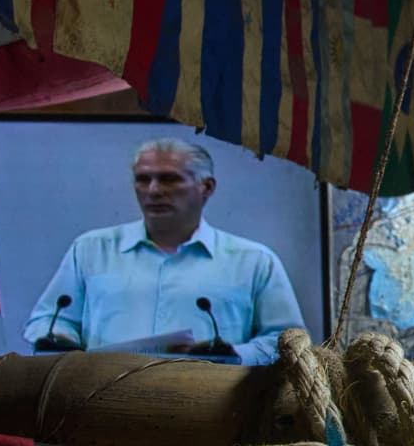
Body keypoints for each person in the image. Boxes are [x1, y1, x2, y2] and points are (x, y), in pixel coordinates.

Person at [22, 138, 304, 364]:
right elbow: (48, 321)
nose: (154, 190)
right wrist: (61, 342)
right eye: (143, 179)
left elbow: (286, 342)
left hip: (209, 407)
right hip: (102, 403)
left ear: (206, 187)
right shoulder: (91, 249)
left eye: (169, 179)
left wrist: (234, 355)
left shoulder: (253, 261)